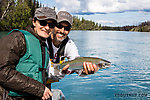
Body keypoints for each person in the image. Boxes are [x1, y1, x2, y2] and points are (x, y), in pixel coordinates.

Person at [0, 7, 57, 100]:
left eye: (51, 25)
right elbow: (2, 71)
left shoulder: (44, 45)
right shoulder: (18, 38)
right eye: (43, 23)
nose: (47, 27)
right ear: (34, 22)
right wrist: (39, 89)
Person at [46, 11, 99, 87]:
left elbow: (76, 61)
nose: (62, 31)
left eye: (66, 28)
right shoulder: (44, 40)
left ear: (70, 30)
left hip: (48, 82)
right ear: (53, 25)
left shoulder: (69, 45)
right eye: (59, 26)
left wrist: (84, 71)